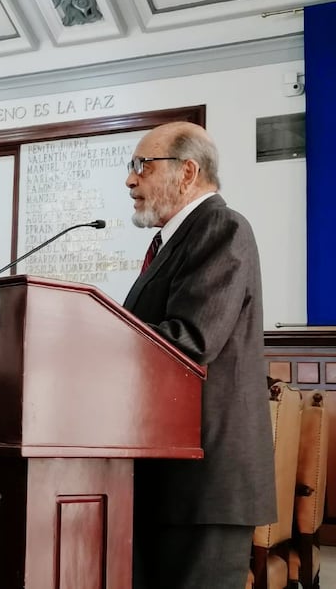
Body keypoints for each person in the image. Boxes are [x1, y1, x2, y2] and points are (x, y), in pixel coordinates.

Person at [123, 121, 275, 589]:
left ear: (187, 172)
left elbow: (190, 338)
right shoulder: (171, 242)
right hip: (168, 473)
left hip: (204, 478)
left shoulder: (222, 227)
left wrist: (93, 334)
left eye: (142, 165)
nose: (130, 179)